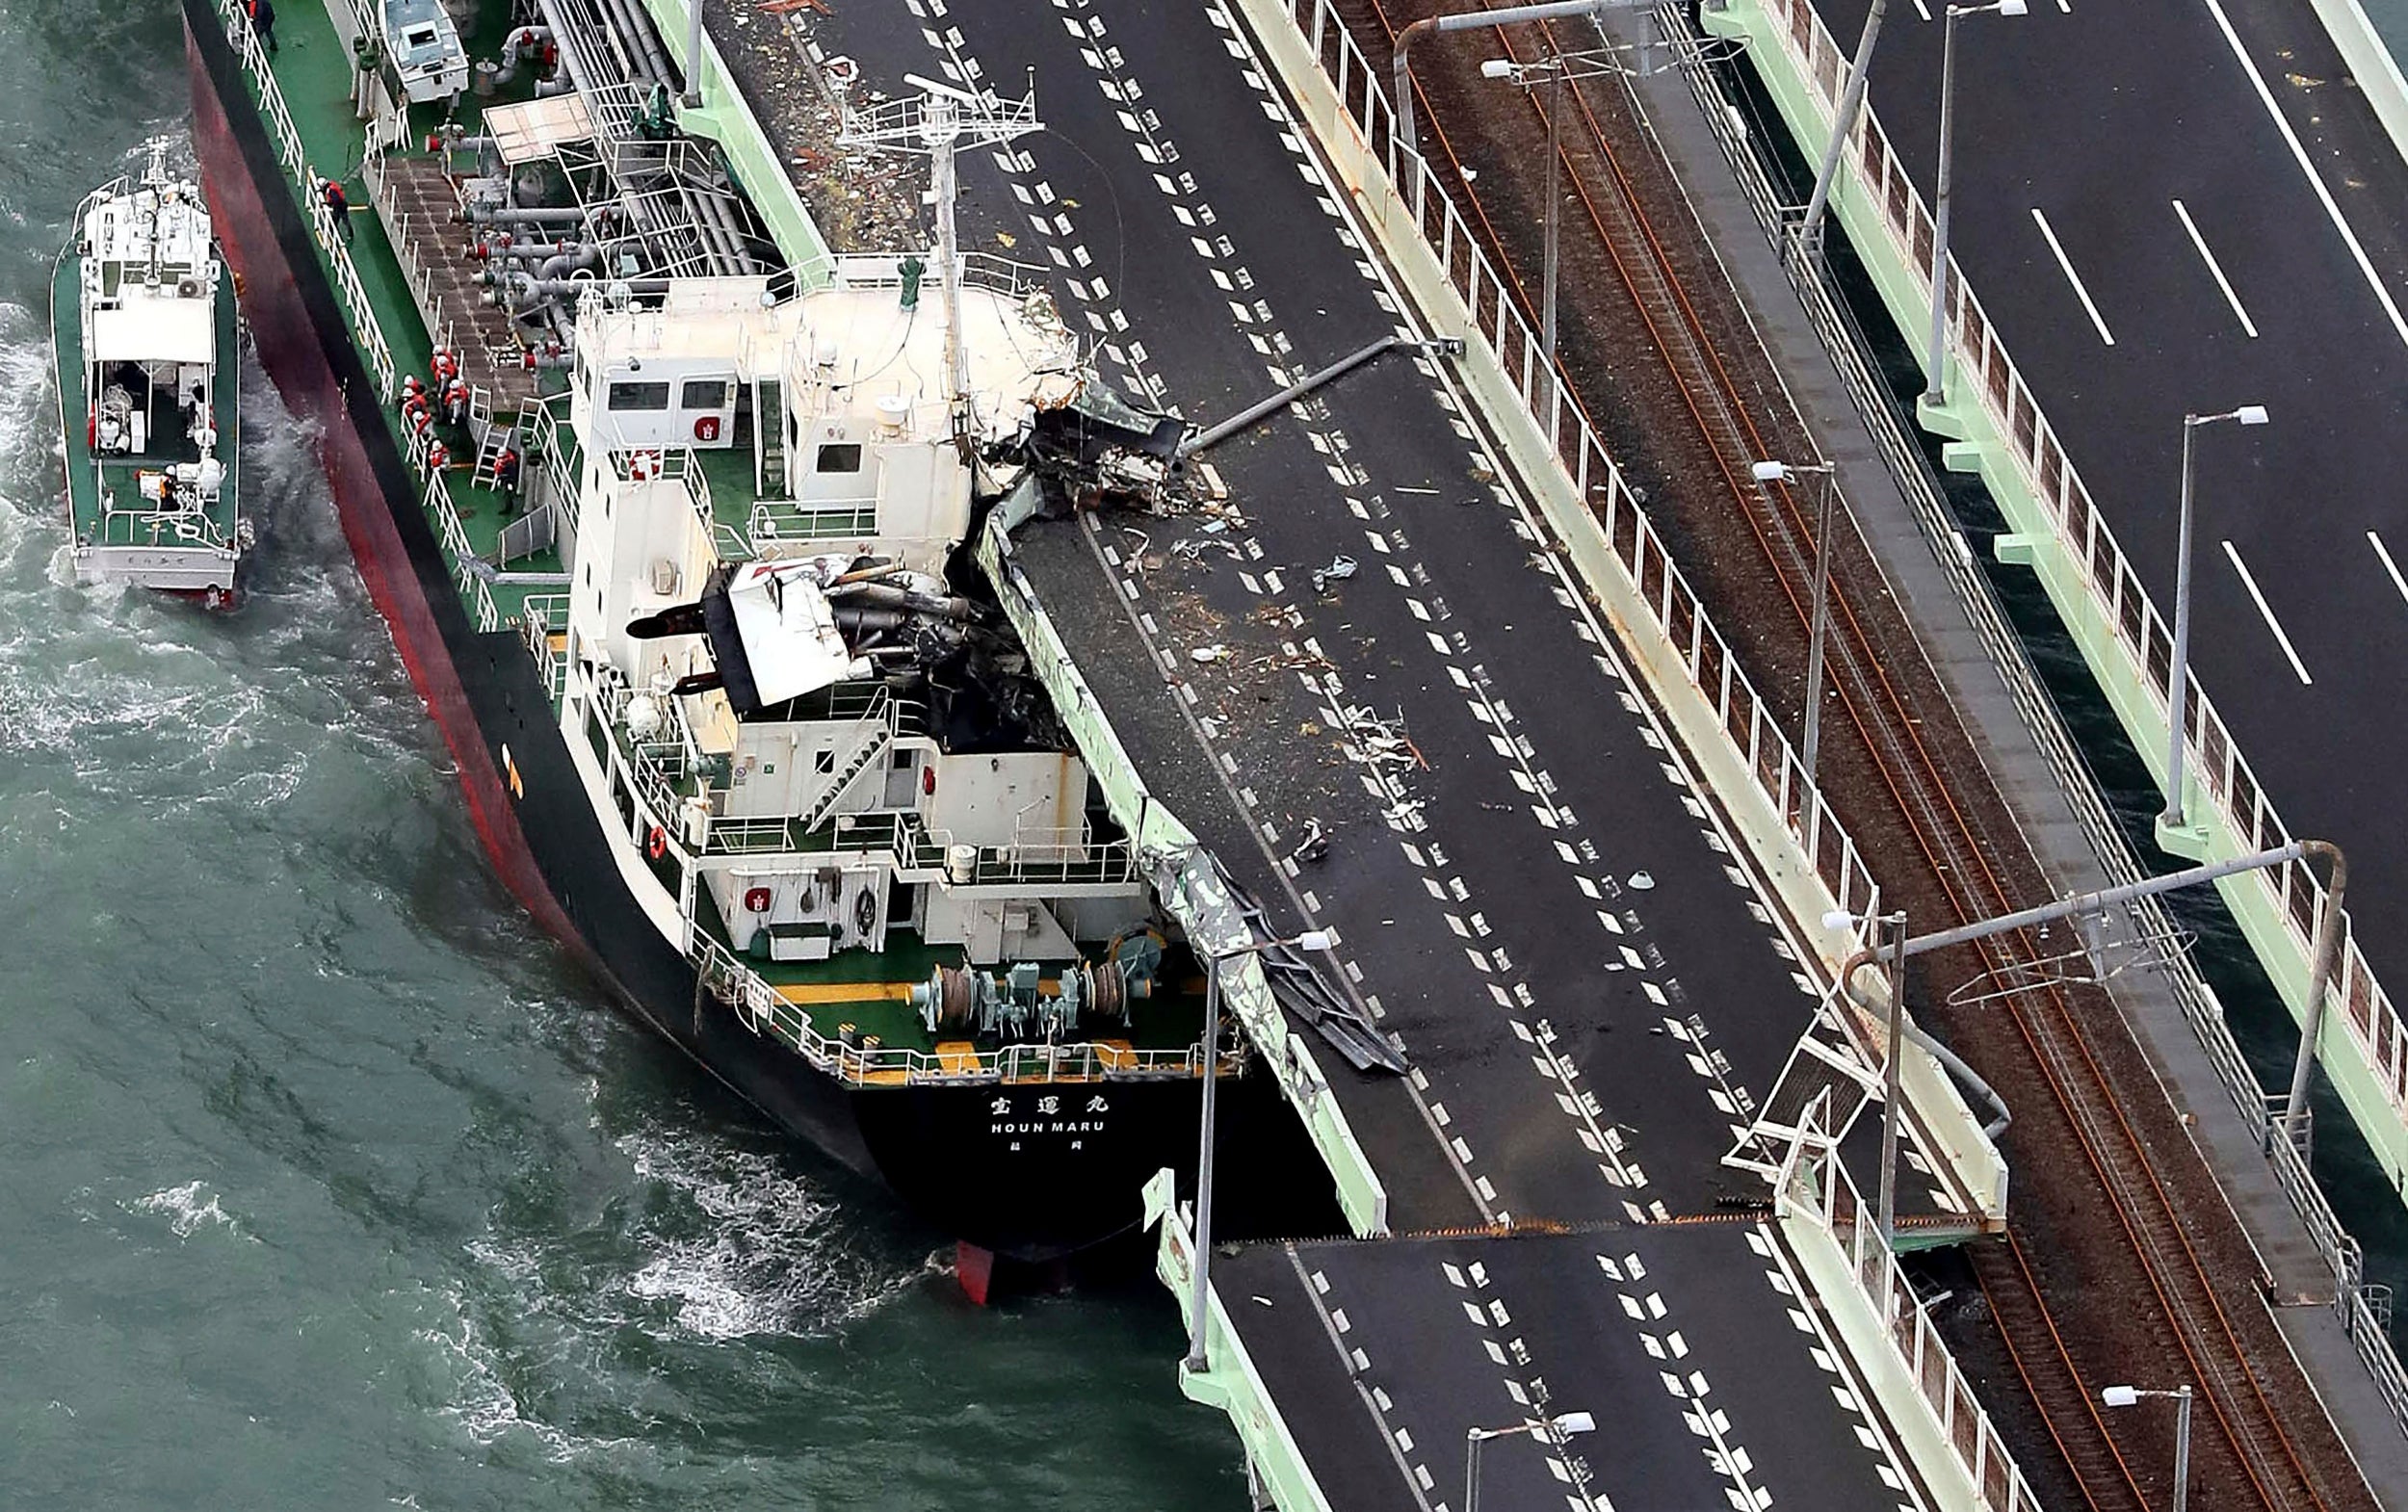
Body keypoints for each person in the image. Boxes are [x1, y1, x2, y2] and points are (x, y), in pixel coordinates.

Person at [321, 176, 352, 242]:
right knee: (336, 218)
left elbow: (336, 199)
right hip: (341, 204)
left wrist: (328, 203)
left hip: (340, 206)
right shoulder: (332, 184)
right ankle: (332, 230)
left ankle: (350, 234)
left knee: (344, 220)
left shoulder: (331, 190)